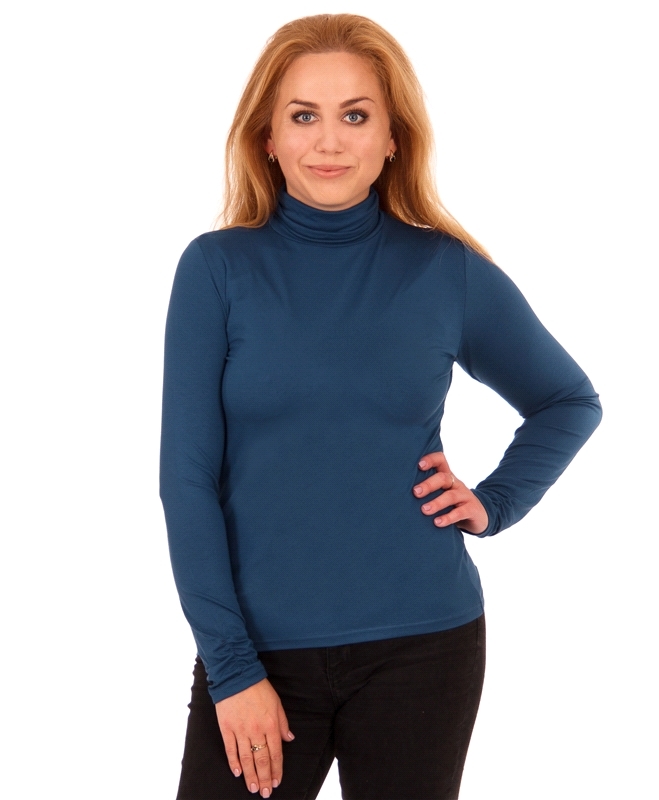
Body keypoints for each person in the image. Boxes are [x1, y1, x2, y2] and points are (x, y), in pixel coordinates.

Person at [159, 13, 602, 800]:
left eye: (355, 115)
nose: (329, 141)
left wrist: (495, 502)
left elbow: (567, 400)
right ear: (267, 136)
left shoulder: (443, 271)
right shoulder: (217, 270)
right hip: (259, 655)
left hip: (424, 646)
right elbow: (185, 481)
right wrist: (232, 670)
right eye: (304, 116)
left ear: (393, 137)